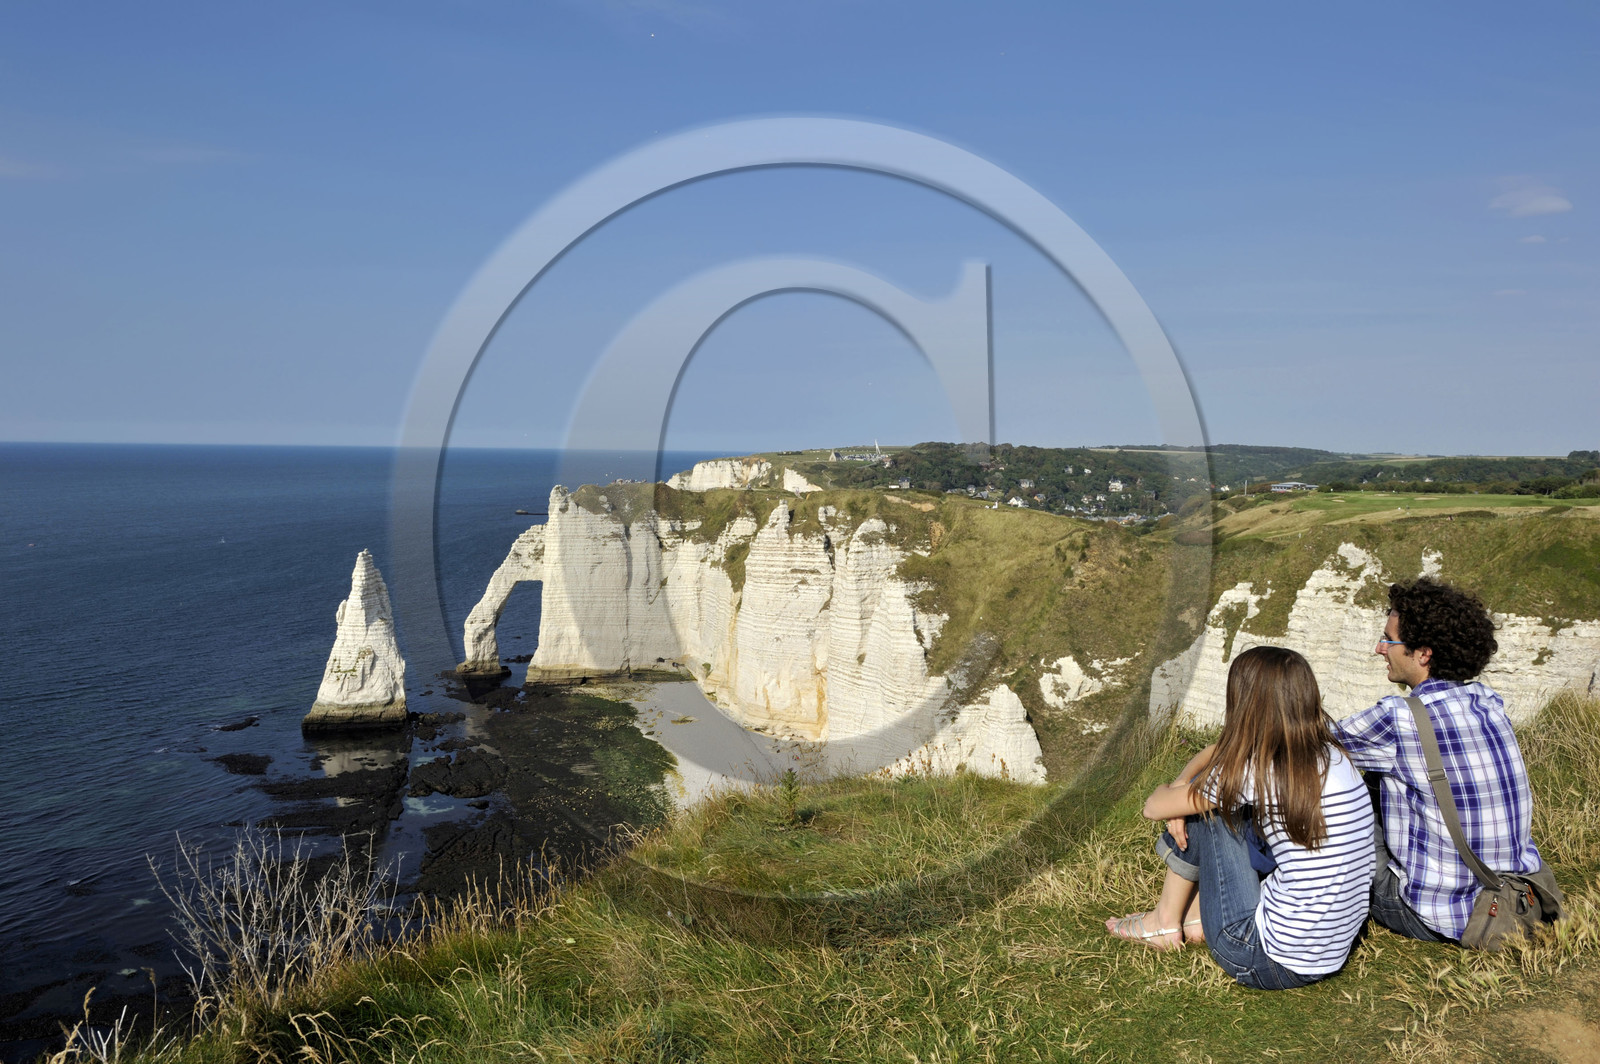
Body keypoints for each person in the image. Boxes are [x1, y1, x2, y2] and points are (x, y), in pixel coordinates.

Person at [1107, 646, 1375, 990]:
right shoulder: (1333, 754)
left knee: (1210, 811)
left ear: (1245, 702)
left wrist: (1178, 789)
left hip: (1261, 958)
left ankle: (1163, 922)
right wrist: (1185, 786)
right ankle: (1195, 919)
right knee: (1207, 799)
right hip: (1330, 951)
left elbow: (1154, 807)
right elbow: (1218, 754)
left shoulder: (1257, 771)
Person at [1333, 578, 1542, 944]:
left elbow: (1307, 744)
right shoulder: (1488, 701)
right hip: (1513, 897)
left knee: (1345, 781)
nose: (1380, 648)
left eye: (1388, 640)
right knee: (1384, 773)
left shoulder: (1399, 719)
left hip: (1436, 915)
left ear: (1423, 654)